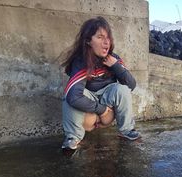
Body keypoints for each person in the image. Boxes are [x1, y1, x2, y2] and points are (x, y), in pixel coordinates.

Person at [60, 16, 140, 150]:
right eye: (100, 37)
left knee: (121, 89)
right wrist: (101, 110)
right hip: (90, 111)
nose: (106, 42)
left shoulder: (114, 59)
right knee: (69, 94)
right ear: (88, 41)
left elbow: (131, 85)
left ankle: (127, 130)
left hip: (108, 108)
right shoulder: (81, 62)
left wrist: (116, 66)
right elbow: (74, 97)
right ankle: (72, 138)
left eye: (108, 38)